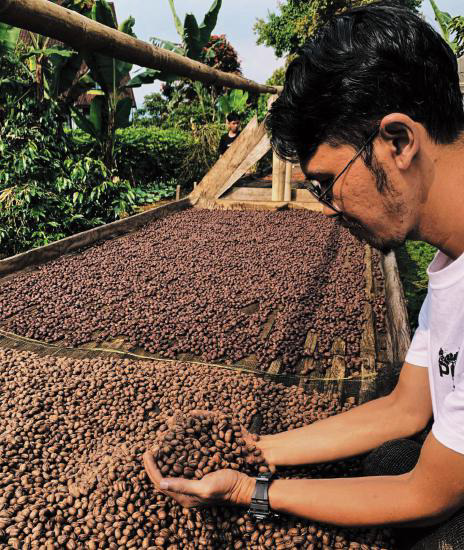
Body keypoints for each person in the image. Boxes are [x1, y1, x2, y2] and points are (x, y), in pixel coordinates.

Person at [144, 2, 464, 546]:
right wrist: (257, 448)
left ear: (398, 142)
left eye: (325, 183)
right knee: (395, 426)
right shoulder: (448, 262)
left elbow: (430, 492)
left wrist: (251, 492)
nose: (330, 209)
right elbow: (408, 406)